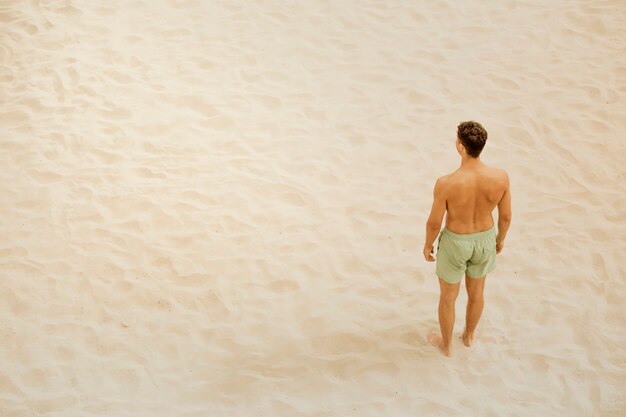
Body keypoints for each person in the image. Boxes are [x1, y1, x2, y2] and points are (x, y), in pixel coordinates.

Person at [423, 121, 512, 357]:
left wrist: (427, 244)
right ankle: (469, 335)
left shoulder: (447, 183)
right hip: (484, 240)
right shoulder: (500, 177)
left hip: (455, 242)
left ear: (460, 147)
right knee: (477, 292)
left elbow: (434, 222)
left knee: (448, 297)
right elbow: (506, 216)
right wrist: (500, 238)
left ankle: (446, 345)